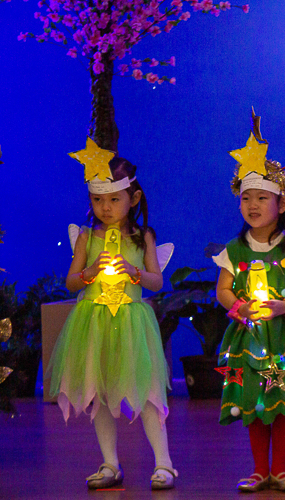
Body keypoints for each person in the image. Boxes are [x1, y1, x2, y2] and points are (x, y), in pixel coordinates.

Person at [49, 139, 177, 490]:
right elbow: (72, 282)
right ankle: (110, 463)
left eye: (113, 199)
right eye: (97, 199)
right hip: (93, 322)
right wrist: (90, 271)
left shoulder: (142, 237)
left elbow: (155, 280)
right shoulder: (86, 236)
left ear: (133, 199)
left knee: (148, 391)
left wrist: (132, 272)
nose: (105, 207)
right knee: (100, 394)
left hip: (132, 322)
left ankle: (164, 463)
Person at [214, 116, 285, 492]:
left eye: (262, 197)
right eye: (246, 198)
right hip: (251, 343)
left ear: (282, 203)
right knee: (256, 404)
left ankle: (280, 468)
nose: (252, 205)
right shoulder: (235, 249)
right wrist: (240, 308)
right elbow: (224, 290)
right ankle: (259, 469)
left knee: (284, 401)